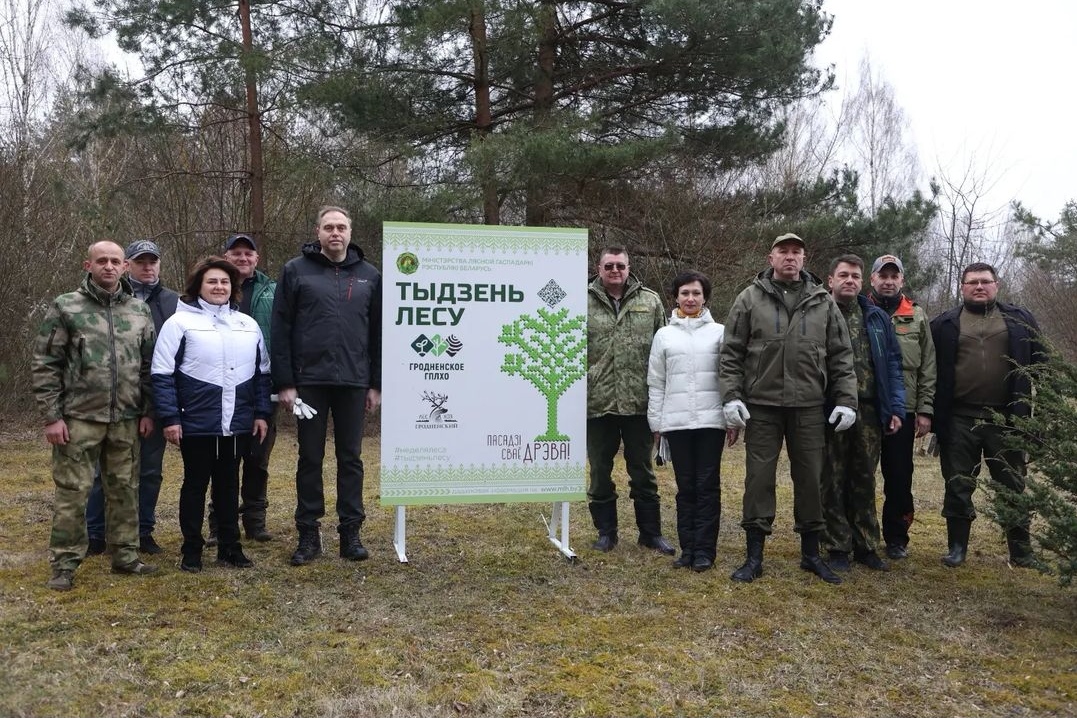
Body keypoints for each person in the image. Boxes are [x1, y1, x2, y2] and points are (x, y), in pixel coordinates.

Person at [718, 233, 857, 585]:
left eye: (796, 252)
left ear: (805, 259)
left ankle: (811, 554)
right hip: (762, 408)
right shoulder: (749, 298)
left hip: (809, 407)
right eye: (783, 252)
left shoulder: (823, 301)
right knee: (758, 480)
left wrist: (846, 400)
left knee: (811, 479)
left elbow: (841, 356)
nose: (790, 257)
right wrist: (731, 396)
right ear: (771, 257)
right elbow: (731, 352)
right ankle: (754, 557)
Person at [33, 241, 158, 590]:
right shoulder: (66, 307)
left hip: (127, 418)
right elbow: (46, 363)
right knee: (73, 492)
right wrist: (51, 416)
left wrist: (148, 411)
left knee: (124, 489)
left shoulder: (138, 310)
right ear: (88, 265)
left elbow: (150, 367)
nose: (109, 266)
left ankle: (126, 557)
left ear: (124, 267)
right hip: (78, 418)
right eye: (101, 260)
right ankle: (64, 564)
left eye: (115, 261)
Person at [272, 206, 382, 566]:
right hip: (310, 383)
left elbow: (378, 334)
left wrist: (376, 383)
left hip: (354, 380)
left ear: (350, 233)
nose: (335, 233)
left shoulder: (370, 276)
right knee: (310, 457)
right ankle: (308, 534)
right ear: (317, 232)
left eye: (341, 227)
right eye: (328, 227)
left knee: (350, 458)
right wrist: (286, 382)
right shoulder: (295, 271)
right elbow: (281, 328)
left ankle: (351, 532)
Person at [152, 257, 272, 573]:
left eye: (224, 282)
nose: (219, 287)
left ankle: (230, 548)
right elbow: (162, 375)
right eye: (212, 282)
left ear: (233, 288)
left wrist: (261, 413)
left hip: (237, 424)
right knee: (195, 485)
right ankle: (191, 549)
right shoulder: (178, 323)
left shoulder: (248, 325)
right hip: (196, 423)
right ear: (198, 286)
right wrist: (170, 418)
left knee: (229, 485)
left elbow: (262, 375)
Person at [930, 262, 1046, 568]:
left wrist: (1043, 412)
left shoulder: (1020, 320)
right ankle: (957, 548)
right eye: (972, 282)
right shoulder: (944, 324)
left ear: (997, 284)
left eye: (985, 281)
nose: (979, 286)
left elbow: (1042, 365)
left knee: (1012, 485)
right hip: (958, 419)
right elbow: (928, 373)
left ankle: (1021, 551)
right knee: (958, 484)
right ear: (962, 287)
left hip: (1008, 419)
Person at [86, 239, 179, 556]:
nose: (148, 266)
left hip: (156, 401)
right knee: (105, 472)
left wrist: (156, 410)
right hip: (111, 404)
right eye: (140, 261)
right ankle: (96, 533)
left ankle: (143, 532)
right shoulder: (112, 298)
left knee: (150, 471)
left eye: (153, 261)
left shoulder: (175, 303)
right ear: (128, 265)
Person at [586, 246, 675, 556]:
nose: (615, 270)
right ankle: (606, 533)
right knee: (599, 470)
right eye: (609, 265)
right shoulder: (580, 301)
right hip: (597, 403)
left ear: (629, 267)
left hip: (639, 402)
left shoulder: (649, 301)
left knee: (643, 470)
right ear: (599, 268)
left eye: (620, 265)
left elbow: (665, 354)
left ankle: (650, 534)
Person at [821, 255, 906, 573]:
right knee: (832, 477)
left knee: (865, 478)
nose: (850, 280)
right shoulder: (819, 312)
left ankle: (866, 545)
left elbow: (894, 364)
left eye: (855, 276)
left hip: (870, 410)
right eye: (843, 275)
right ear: (831, 280)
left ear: (862, 281)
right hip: (829, 410)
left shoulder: (875, 317)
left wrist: (895, 407)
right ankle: (836, 544)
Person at [647, 270, 735, 572]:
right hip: (677, 423)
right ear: (675, 297)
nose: (690, 298)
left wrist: (732, 417)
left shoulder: (720, 332)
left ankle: (705, 551)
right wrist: (656, 423)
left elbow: (729, 377)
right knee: (685, 488)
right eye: (684, 293)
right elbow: (656, 381)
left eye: (696, 293)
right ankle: (687, 549)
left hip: (711, 423)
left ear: (705, 297)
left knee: (707, 486)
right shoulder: (664, 335)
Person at [204, 233, 278, 544]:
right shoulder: (213, 291)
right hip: (220, 388)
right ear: (226, 257)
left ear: (257, 259)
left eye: (248, 253)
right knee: (222, 458)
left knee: (258, 458)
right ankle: (220, 523)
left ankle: (254, 519)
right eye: (236, 253)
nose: (243, 258)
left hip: (262, 385)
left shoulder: (274, 290)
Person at [867, 254, 936, 560]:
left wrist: (925, 409)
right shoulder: (859, 311)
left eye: (894, 276)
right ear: (873, 279)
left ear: (902, 281)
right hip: (866, 407)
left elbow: (928, 367)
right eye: (883, 275)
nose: (888, 281)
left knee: (899, 476)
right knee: (859, 474)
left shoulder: (917, 316)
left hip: (905, 409)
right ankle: (859, 534)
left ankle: (897, 537)